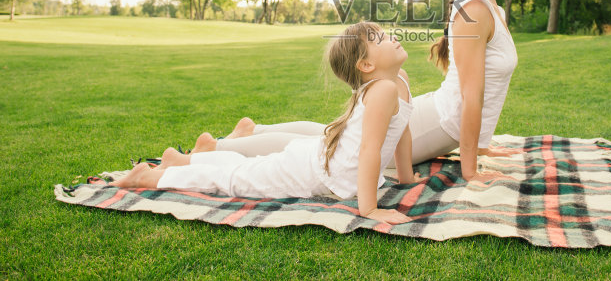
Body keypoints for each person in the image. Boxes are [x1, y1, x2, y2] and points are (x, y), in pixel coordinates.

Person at [193, 0, 519, 181]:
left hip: (438, 117)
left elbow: (482, 90)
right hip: (438, 123)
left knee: (332, 136)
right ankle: (219, 147)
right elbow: (471, 95)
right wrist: (470, 168)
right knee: (327, 149)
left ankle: (252, 132)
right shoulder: (474, 11)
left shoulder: (491, 10)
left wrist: (480, 147)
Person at [111, 22, 418, 225]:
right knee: (236, 179)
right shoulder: (385, 89)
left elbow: (402, 131)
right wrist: (370, 210)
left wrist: (405, 178)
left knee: (247, 170)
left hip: (322, 162)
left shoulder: (398, 81)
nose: (393, 37)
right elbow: (369, 150)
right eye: (380, 38)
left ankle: (180, 162)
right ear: (366, 65)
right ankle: (152, 178)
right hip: (314, 171)